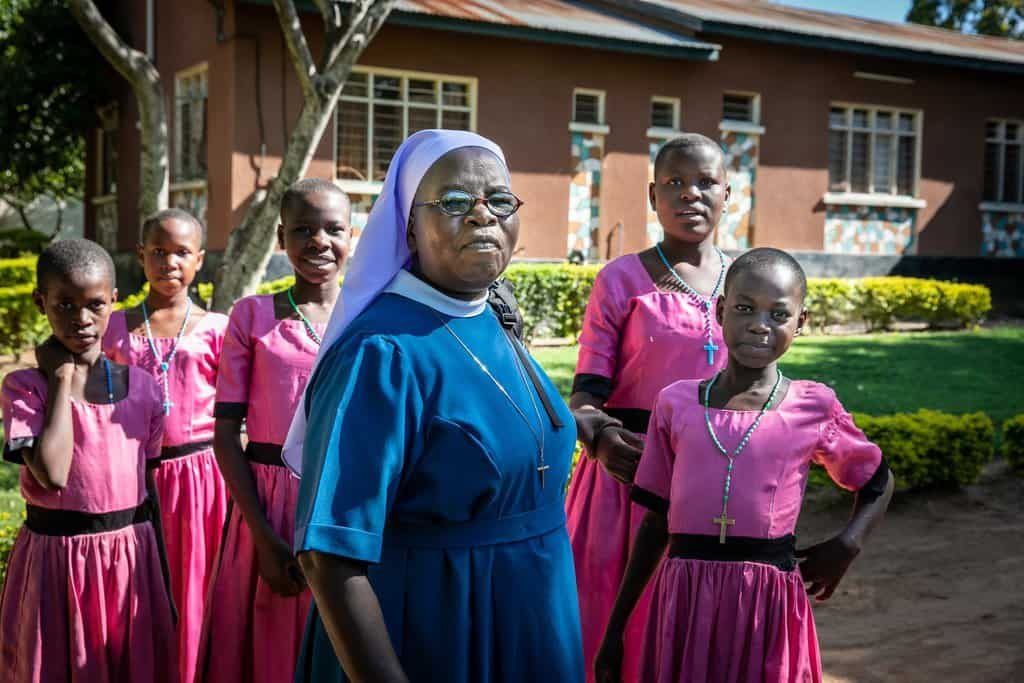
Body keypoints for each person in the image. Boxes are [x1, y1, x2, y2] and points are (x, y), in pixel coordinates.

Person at [286, 129, 584, 683]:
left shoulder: (488, 314)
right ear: (408, 228)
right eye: (452, 202)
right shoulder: (381, 352)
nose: (482, 216)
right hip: (437, 628)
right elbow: (328, 556)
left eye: (499, 200)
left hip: (530, 616)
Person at [595, 248, 895, 683]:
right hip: (685, 598)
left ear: (801, 323)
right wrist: (616, 629)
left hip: (767, 604)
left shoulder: (813, 406)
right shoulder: (675, 403)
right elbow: (655, 522)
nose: (759, 324)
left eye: (779, 314)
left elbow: (878, 481)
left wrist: (848, 543)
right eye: (744, 308)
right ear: (720, 310)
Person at [565, 133, 730, 680]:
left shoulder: (746, 282)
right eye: (675, 183)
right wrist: (600, 437)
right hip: (627, 480)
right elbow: (585, 392)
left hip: (712, 485)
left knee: (694, 628)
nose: (691, 195)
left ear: (728, 192)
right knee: (612, 627)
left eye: (706, 182)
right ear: (651, 195)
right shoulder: (622, 279)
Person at [194, 179, 351, 683]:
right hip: (268, 507)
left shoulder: (371, 317)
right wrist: (262, 534)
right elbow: (225, 434)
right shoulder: (253, 316)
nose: (318, 241)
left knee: (343, 636)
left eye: (333, 229)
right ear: (281, 237)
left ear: (353, 235)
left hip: (346, 497)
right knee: (267, 639)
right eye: (302, 229)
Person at [1, 238, 177, 682]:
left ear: (114, 301)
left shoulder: (143, 387)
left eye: (94, 305)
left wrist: (162, 580)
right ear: (42, 302)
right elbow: (54, 472)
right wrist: (61, 380)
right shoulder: (25, 387)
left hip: (129, 557)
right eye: (64, 305)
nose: (80, 319)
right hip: (55, 562)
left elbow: (148, 488)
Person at [102, 208, 229, 683]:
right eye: (158, 251)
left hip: (201, 478)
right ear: (141, 256)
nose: (169, 262)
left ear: (199, 259)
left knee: (195, 583)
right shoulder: (114, 327)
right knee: (140, 584)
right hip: (134, 474)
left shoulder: (218, 327)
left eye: (181, 253)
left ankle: (193, 671)